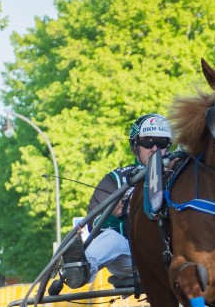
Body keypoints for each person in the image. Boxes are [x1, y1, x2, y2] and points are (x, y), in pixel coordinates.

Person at [58, 114, 172, 291]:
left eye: (162, 143)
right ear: (136, 146)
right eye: (148, 142)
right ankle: (81, 269)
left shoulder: (179, 175)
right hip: (132, 257)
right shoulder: (117, 180)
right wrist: (113, 215)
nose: (155, 148)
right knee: (111, 239)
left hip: (172, 253)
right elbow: (93, 224)